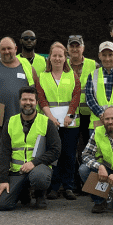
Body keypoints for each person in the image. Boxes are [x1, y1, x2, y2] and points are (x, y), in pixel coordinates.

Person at [0, 87, 61, 211]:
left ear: (36, 102)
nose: (28, 103)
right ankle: (23, 192)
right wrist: (3, 180)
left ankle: (40, 195)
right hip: (16, 171)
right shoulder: (10, 122)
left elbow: (55, 150)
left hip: (38, 169)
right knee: (2, 204)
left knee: (39, 177)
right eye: (24, 99)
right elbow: (4, 153)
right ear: (19, 101)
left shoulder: (47, 122)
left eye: (31, 100)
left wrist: (34, 163)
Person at [0, 37, 39, 167]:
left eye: (9, 48)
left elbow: (38, 90)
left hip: (24, 119)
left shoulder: (27, 66)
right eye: (3, 49)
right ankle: (1, 179)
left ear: (16, 49)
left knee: (24, 152)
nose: (6, 51)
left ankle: (21, 178)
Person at [37, 42, 82, 200]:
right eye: (54, 55)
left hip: (70, 122)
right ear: (49, 57)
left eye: (60, 56)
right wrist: (51, 118)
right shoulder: (42, 76)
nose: (57, 58)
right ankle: (54, 187)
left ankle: (68, 187)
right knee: (54, 155)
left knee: (69, 155)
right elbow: (41, 99)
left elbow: (76, 95)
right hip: (50, 122)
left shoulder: (72, 75)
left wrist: (70, 114)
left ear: (65, 58)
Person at [67, 34, 97, 138]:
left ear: (83, 48)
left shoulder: (94, 65)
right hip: (69, 113)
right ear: (67, 49)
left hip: (88, 114)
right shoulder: (62, 65)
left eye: (78, 46)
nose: (75, 49)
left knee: (88, 142)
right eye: (72, 46)